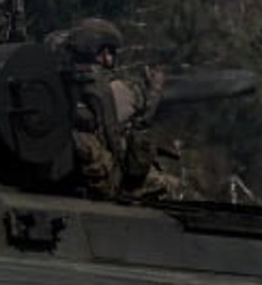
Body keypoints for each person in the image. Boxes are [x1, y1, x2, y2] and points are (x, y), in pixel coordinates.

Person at [56, 18, 183, 201]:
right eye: (108, 52)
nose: (110, 60)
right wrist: (152, 96)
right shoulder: (103, 93)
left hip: (74, 178)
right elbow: (117, 162)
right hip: (105, 185)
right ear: (98, 52)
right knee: (171, 186)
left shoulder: (61, 83)